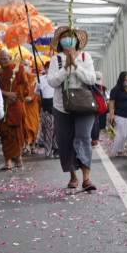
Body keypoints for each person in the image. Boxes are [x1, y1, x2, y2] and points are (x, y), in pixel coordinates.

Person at [47, 26, 98, 191]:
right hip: (62, 106)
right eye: (64, 38)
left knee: (83, 137)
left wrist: (75, 65)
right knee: (66, 141)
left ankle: (87, 179)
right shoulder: (56, 60)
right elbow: (52, 82)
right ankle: (73, 176)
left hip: (84, 105)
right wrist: (65, 67)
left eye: (71, 37)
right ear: (60, 42)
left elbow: (91, 79)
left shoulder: (85, 56)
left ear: (77, 40)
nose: (68, 40)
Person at [0, 49, 29, 170]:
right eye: (1, 59)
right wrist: (6, 94)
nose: (3, 61)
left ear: (10, 59)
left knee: (17, 132)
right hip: (2, 104)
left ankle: (18, 155)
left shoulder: (18, 69)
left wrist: (14, 95)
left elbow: (25, 85)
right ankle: (8, 160)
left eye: (5, 59)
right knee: (5, 133)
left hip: (15, 103)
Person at [35, 62, 57, 158]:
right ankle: (48, 150)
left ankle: (56, 149)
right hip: (45, 106)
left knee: (56, 129)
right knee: (46, 129)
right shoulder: (41, 79)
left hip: (56, 105)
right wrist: (38, 89)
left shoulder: (57, 78)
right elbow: (36, 93)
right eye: (48, 67)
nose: (49, 69)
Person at [21, 58, 41, 155]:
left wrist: (32, 97)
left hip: (33, 105)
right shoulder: (18, 77)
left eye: (26, 64)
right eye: (22, 64)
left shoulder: (35, 77)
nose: (24, 66)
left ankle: (33, 146)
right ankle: (26, 146)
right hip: (23, 103)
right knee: (25, 125)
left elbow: (39, 90)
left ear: (29, 66)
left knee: (34, 125)